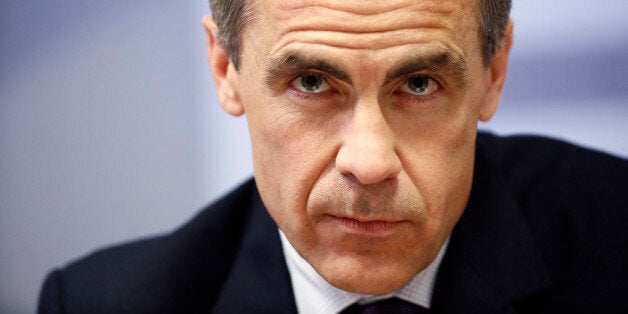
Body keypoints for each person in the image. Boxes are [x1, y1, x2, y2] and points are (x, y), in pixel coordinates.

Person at [38, 0, 628, 313]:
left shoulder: (615, 243)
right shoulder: (103, 302)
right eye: (313, 83)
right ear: (226, 69)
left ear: (493, 73)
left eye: (419, 84)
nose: (369, 164)